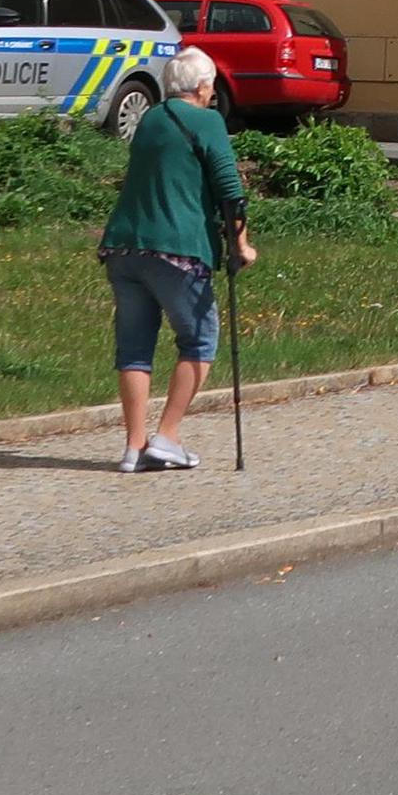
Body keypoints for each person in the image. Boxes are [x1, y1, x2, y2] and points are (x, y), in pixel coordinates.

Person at [102, 46, 254, 474]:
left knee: (134, 347)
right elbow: (230, 190)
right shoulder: (207, 120)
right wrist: (241, 246)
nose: (212, 93)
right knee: (200, 339)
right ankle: (166, 438)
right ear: (203, 86)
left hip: (125, 245)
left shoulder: (150, 117)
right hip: (177, 249)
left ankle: (135, 446)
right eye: (211, 86)